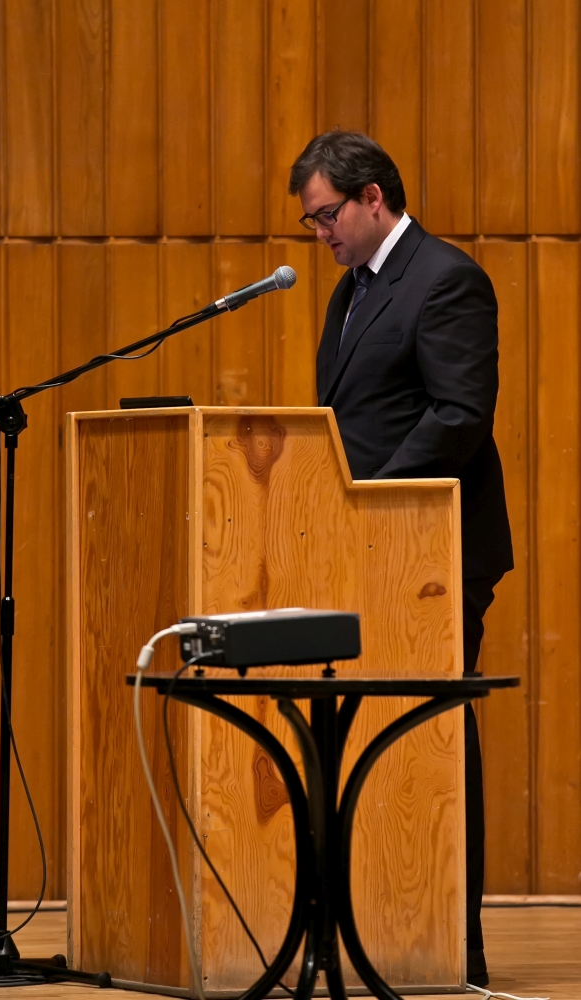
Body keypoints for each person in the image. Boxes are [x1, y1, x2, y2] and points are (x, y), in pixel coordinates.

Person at [289, 130, 513, 989]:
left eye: (326, 216)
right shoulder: (351, 290)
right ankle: (381, 925)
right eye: (312, 223)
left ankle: (454, 946)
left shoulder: (445, 278)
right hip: (369, 546)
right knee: (367, 734)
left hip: (430, 548)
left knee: (432, 730)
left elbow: (459, 415)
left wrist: (367, 497)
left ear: (372, 197)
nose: (320, 235)